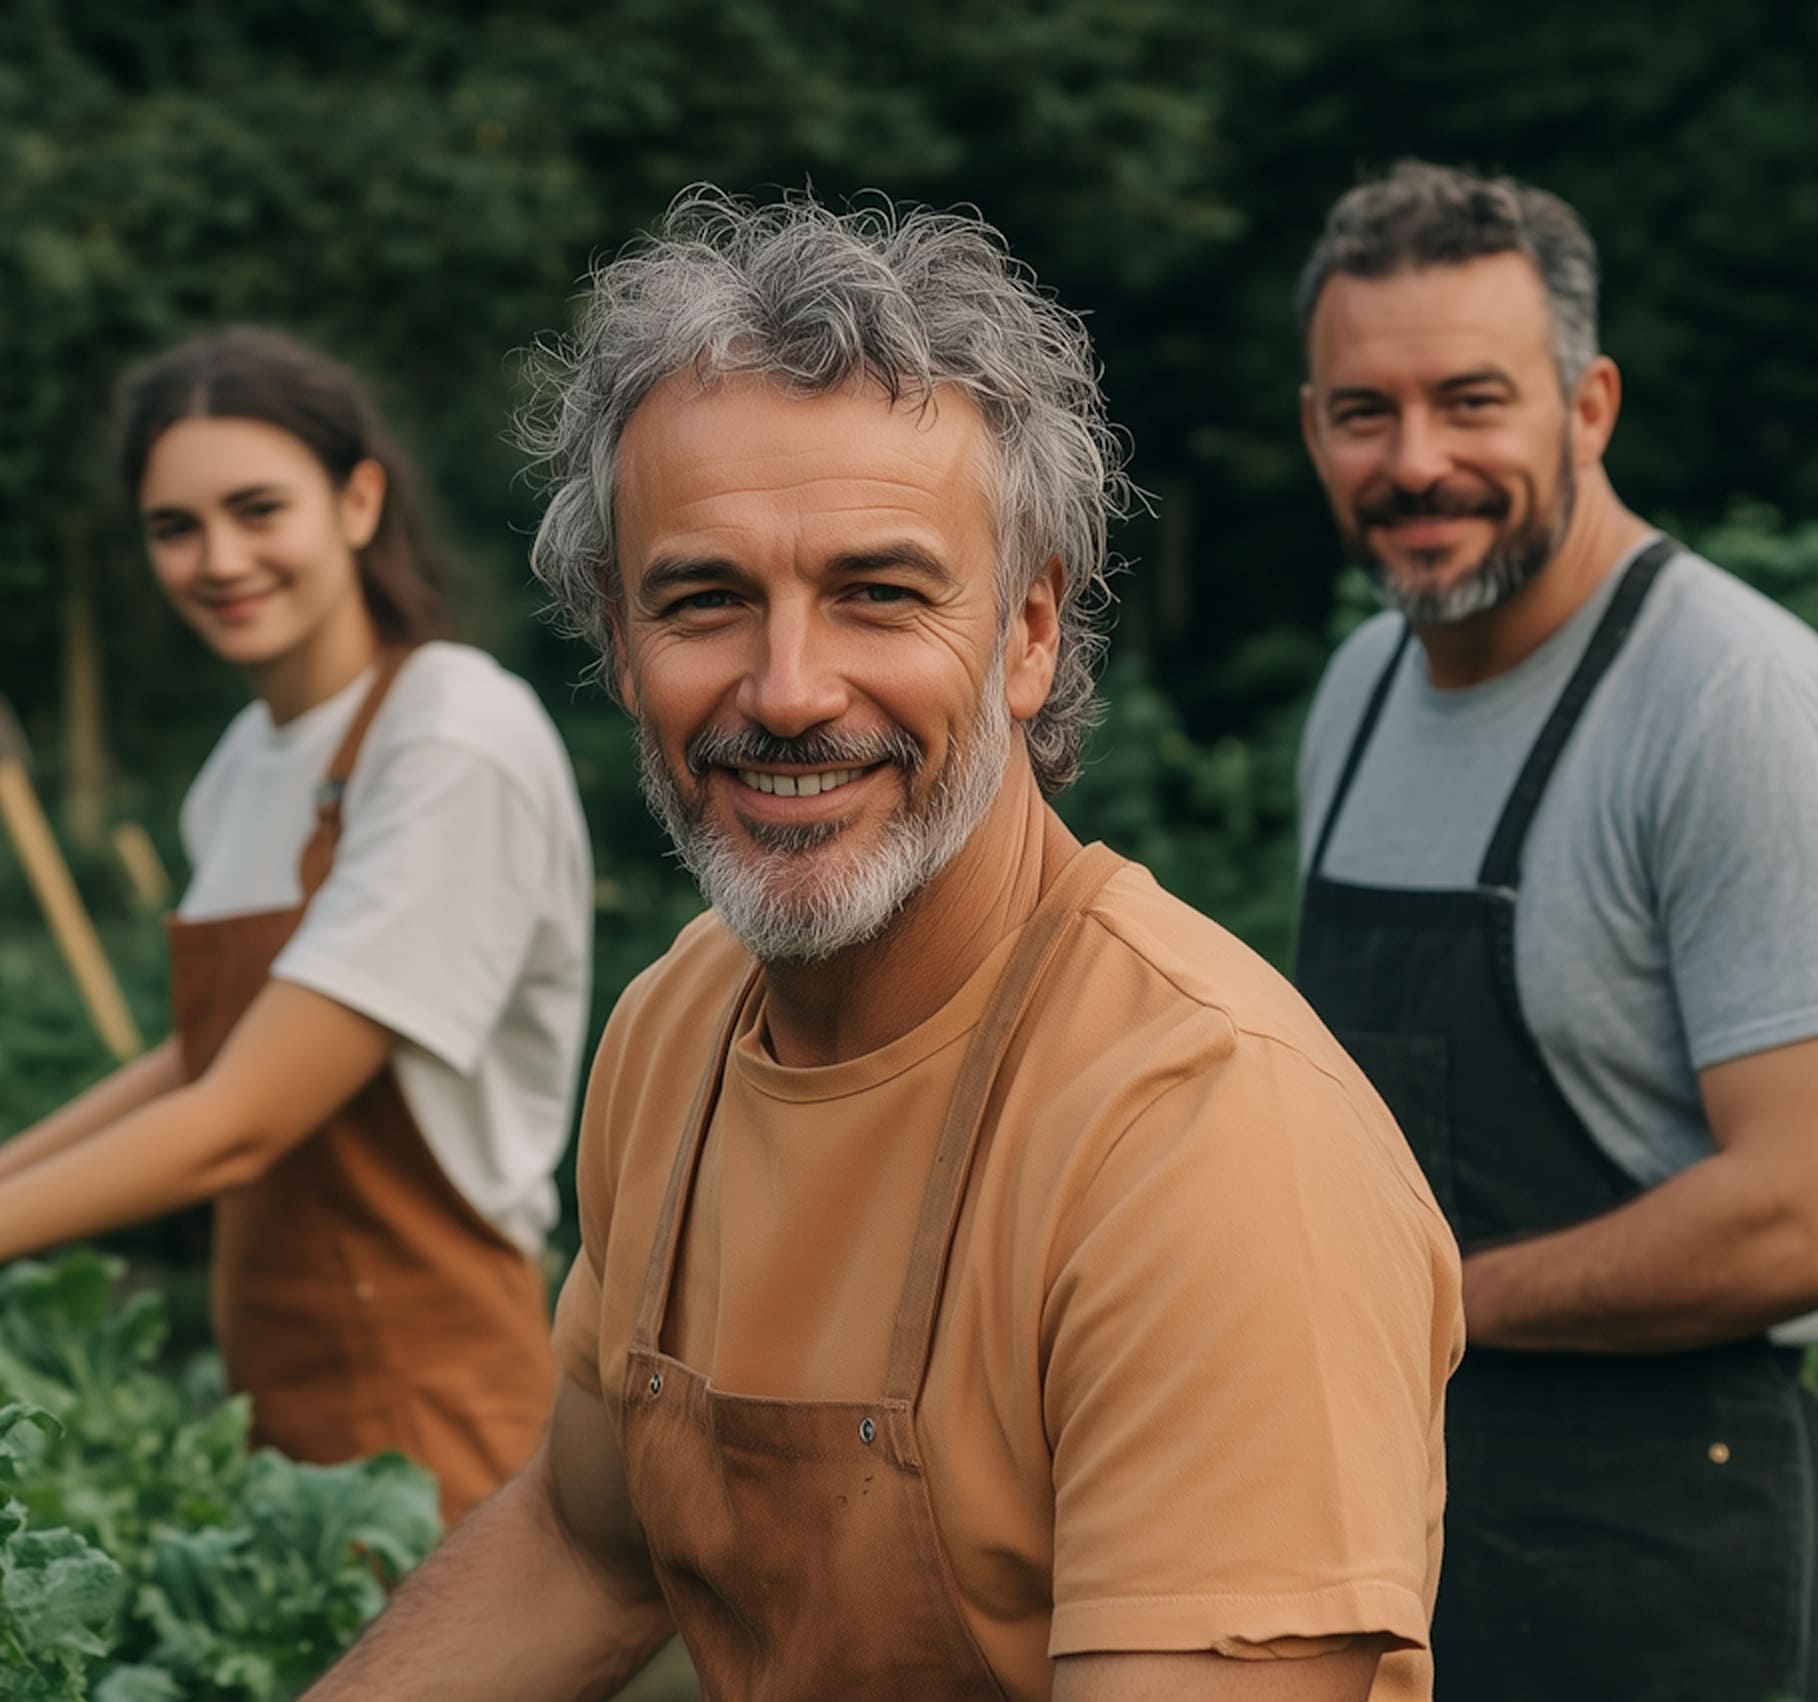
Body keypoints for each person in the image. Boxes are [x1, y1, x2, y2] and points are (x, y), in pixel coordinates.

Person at [304, 189, 1461, 1702]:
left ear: (1030, 632)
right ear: (616, 636)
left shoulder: (1204, 1138)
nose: (786, 689)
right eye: (704, 597)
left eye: (879, 592)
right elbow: (586, 1547)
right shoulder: (676, 1031)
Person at [1292, 161, 1818, 1702]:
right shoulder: (1358, 689)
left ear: (1585, 407)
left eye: (1470, 401)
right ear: (1311, 423)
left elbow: (1795, 1203)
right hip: (1380, 1527)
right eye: (1361, 412)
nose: (1416, 462)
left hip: (1649, 1544)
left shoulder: (1732, 704)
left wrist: (1423, 1305)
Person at [0, 327, 595, 1526]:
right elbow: (211, 1057)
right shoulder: (239, 769)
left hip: (435, 1387)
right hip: (275, 1372)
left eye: (258, 508)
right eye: (176, 526)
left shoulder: (451, 738)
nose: (219, 558)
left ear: (359, 498)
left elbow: (239, 1120)